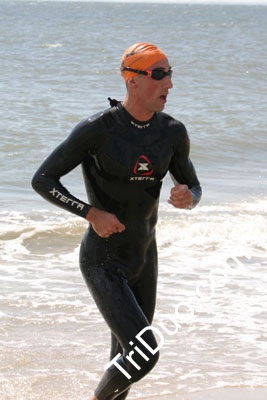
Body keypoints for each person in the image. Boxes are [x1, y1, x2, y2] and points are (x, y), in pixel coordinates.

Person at [32, 42, 202, 400]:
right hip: (103, 260)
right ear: (132, 80)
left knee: (127, 362)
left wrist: (189, 197)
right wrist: (90, 213)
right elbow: (43, 179)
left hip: (143, 259)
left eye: (170, 74)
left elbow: (194, 186)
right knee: (144, 353)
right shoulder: (98, 129)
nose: (168, 83)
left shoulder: (171, 132)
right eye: (159, 74)